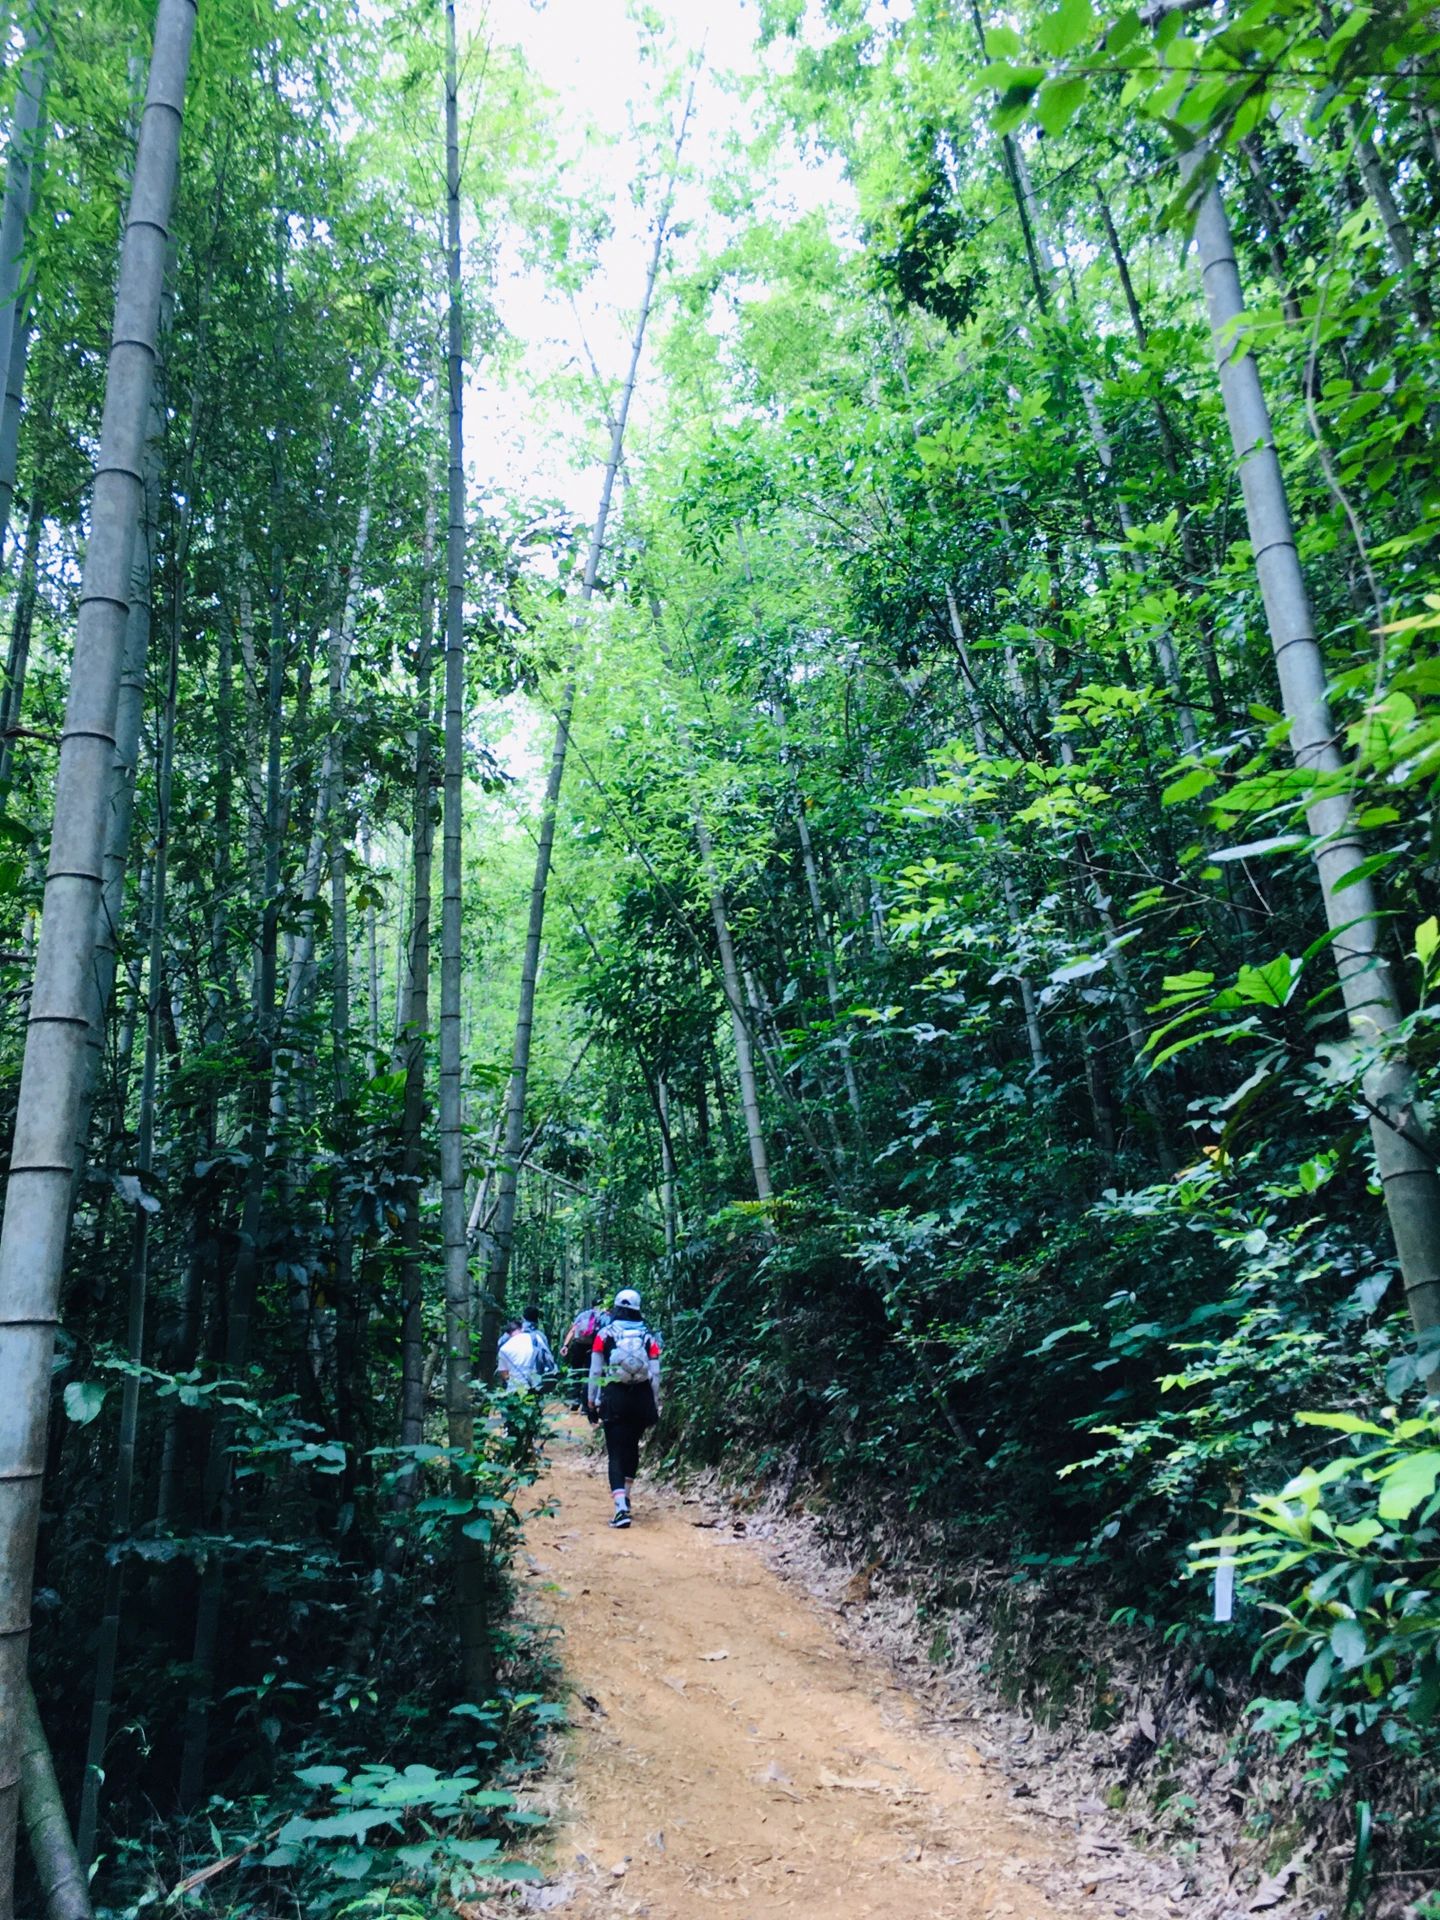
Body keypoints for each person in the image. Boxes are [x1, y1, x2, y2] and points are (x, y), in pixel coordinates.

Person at [587, 1287, 661, 1529]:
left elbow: (596, 1371)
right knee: (631, 1447)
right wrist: (654, 1401)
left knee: (616, 1451)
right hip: (641, 1398)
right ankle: (627, 1497)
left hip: (615, 1395)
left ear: (617, 1308)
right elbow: (656, 1374)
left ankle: (620, 1508)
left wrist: (591, 1400)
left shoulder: (605, 1334)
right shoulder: (649, 1337)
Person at [562, 1300, 608, 1409]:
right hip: (592, 1347)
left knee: (576, 1372)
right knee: (589, 1374)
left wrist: (565, 1345)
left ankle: (574, 1400)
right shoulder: (603, 1316)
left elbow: (573, 1330)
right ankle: (586, 1405)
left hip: (578, 1346)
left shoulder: (582, 1315)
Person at [496, 1318, 540, 1391]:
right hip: (536, 1386)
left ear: (508, 1333)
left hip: (514, 1388)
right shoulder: (535, 1339)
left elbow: (504, 1373)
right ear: (522, 1328)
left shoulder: (504, 1348)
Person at [520, 1303, 558, 1384]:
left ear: (523, 1318)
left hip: (513, 1376)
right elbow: (547, 1358)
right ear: (537, 1319)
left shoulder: (514, 1333)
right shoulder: (540, 1336)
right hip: (534, 1377)